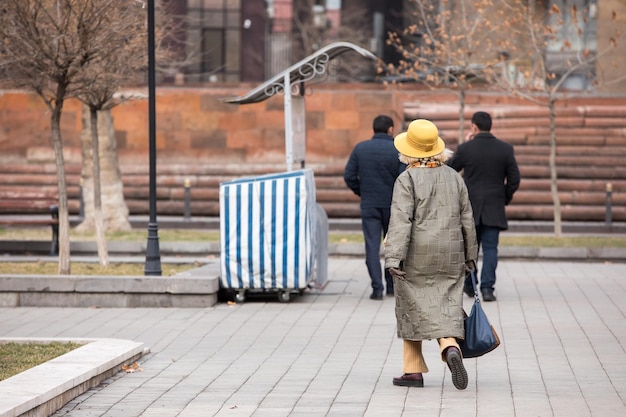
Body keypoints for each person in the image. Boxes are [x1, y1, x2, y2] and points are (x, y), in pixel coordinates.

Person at [384, 118, 478, 391]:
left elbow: (401, 220)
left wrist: (393, 258)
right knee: (446, 302)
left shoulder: (407, 178)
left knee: (411, 304)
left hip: (416, 253)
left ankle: (412, 371)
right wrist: (470, 254)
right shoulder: (453, 177)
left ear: (409, 150)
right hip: (451, 251)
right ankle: (450, 347)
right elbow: (467, 218)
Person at [447, 111, 521, 302]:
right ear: (491, 126)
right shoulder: (505, 149)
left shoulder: (466, 148)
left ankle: (471, 286)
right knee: (491, 249)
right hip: (494, 206)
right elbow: (514, 179)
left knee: (470, 249)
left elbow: (449, 169)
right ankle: (488, 288)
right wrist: (504, 197)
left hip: (470, 207)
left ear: (474, 127)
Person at [344, 115, 407, 300]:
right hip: (392, 206)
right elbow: (403, 178)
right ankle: (391, 287)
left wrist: (362, 191)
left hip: (369, 204)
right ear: (390, 129)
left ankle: (377, 289)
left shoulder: (360, 148)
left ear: (373, 130)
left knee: (372, 247)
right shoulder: (398, 149)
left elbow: (349, 175)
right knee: (393, 247)